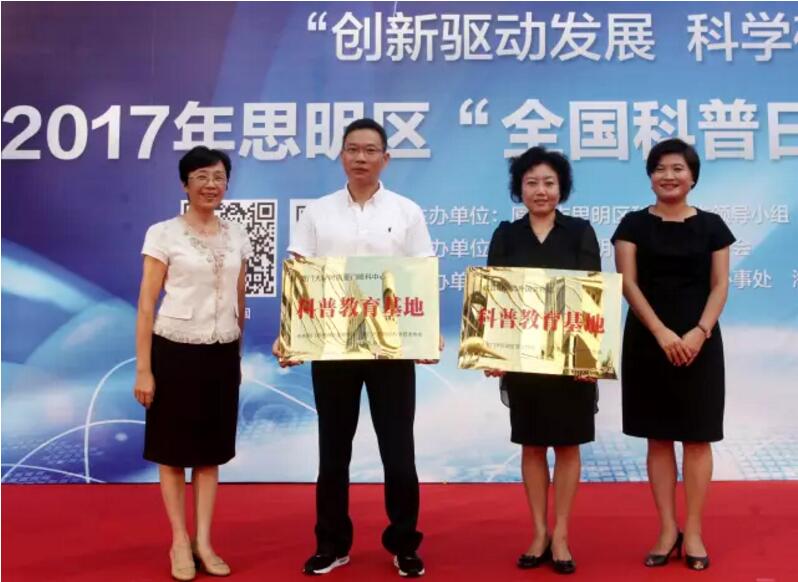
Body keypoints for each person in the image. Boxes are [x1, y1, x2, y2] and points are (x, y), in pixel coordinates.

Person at [274, 118, 437, 578]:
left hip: (392, 349)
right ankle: (331, 544)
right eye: (352, 149)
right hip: (332, 347)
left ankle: (404, 542)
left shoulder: (406, 211)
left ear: (386, 158)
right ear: (341, 155)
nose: (361, 158)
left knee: (399, 453)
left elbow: (422, 274)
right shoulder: (317, 213)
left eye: (370, 150)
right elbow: (299, 275)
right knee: (333, 451)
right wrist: (289, 332)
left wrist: (427, 333)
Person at [611, 138, 734, 571]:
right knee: (658, 437)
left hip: (701, 342)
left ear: (693, 176)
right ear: (650, 176)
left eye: (678, 168)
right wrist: (662, 333)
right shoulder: (632, 225)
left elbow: (720, 285)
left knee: (698, 437)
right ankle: (667, 529)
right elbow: (628, 284)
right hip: (648, 341)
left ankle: (694, 531)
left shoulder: (713, 226)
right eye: (660, 168)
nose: (669, 176)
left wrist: (700, 332)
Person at [134, 146, 252, 581]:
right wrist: (144, 369)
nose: (211, 185)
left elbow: (239, 298)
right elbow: (146, 305)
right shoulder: (163, 234)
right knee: (172, 452)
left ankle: (204, 540)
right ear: (185, 184)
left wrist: (237, 353)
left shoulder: (238, 234)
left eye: (218, 177)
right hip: (175, 350)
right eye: (201, 176)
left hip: (221, 351)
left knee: (209, 453)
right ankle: (179, 540)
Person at [484, 146, 600, 575]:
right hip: (523, 360)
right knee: (532, 446)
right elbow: (494, 298)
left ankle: (562, 534)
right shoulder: (506, 235)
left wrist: (589, 355)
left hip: (570, 361)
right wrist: (493, 351)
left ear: (561, 188)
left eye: (549, 182)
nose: (541, 190)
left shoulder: (580, 233)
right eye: (531, 182)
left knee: (568, 446)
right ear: (519, 188)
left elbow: (591, 297)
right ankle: (538, 532)